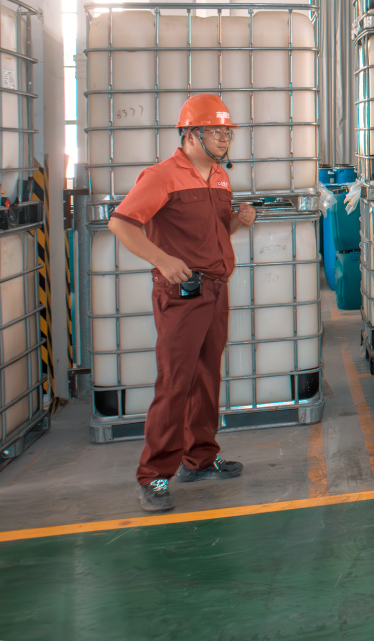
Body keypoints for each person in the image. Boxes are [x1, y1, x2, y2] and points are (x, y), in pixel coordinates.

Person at [109, 95, 256, 513]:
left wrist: (238, 221)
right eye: (215, 131)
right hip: (182, 293)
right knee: (176, 382)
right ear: (190, 134)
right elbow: (120, 223)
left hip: (216, 289)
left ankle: (200, 459)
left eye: (227, 132)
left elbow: (213, 234)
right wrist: (162, 259)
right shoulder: (162, 176)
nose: (224, 138)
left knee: (207, 376)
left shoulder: (220, 177)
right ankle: (154, 475)